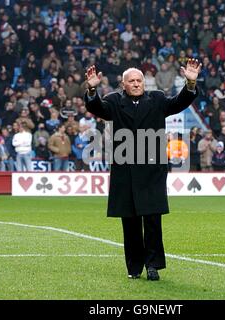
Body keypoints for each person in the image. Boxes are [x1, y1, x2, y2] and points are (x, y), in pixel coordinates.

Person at [84, 59, 201, 280]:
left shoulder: (157, 99)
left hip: (152, 170)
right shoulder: (114, 101)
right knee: (130, 222)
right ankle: (134, 267)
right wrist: (91, 89)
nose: (137, 84)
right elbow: (97, 108)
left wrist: (190, 84)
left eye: (139, 80)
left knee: (153, 220)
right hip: (125, 169)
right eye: (132, 81)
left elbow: (178, 103)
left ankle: (153, 265)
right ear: (123, 84)